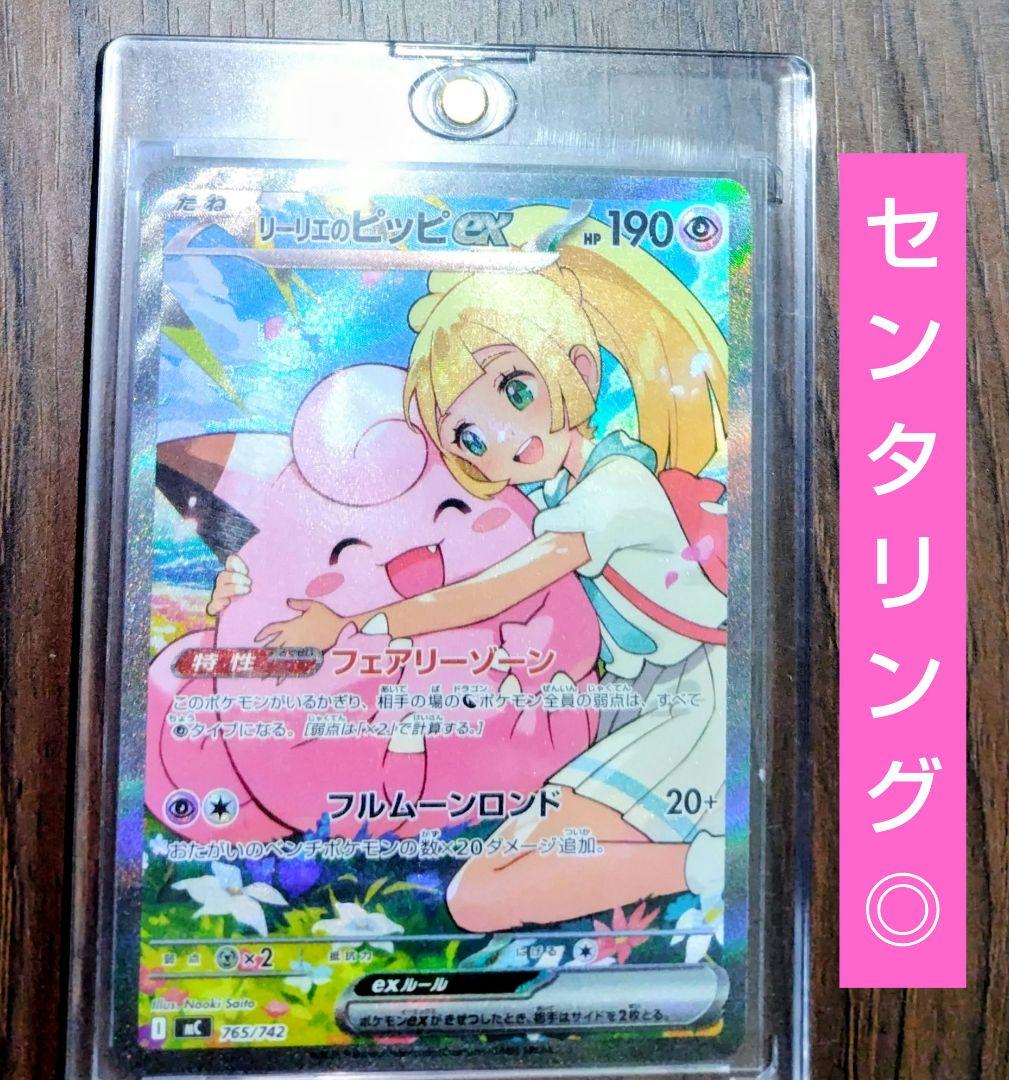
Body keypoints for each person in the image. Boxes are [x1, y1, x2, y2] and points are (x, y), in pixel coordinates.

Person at [213, 205, 730, 930]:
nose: (506, 438)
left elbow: (497, 589)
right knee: (495, 874)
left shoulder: (615, 490)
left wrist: (354, 624)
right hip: (624, 702)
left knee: (480, 895)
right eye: (471, 437)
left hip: (693, 702)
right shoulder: (550, 493)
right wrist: (245, 583)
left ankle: (712, 865)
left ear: (578, 370)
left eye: (516, 390)